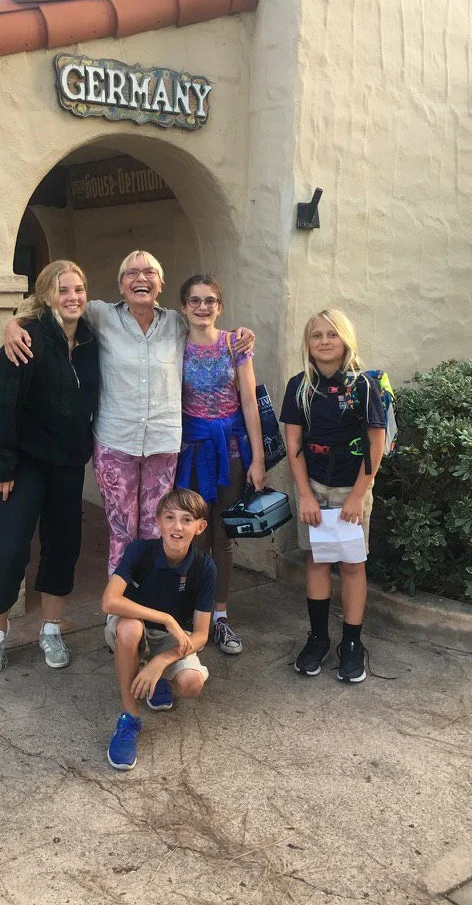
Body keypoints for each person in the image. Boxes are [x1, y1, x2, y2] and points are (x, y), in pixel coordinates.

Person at [4, 250, 253, 577]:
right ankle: (118, 605)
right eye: (131, 273)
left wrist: (240, 333)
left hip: (163, 446)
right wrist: (14, 323)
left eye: (149, 272)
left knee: (155, 531)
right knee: (122, 535)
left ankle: (147, 602)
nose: (141, 278)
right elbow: (53, 303)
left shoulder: (176, 323)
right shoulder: (100, 315)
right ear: (121, 285)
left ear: (160, 284)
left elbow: (208, 325)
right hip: (115, 445)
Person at [0, 260, 99, 678]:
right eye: (63, 290)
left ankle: (51, 630)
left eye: (78, 289)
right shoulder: (28, 339)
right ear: (47, 295)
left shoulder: (91, 340)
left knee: (63, 546)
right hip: (25, 465)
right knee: (11, 548)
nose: (73, 297)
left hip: (68, 465)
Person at [280, 309, 385, 683]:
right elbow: (293, 442)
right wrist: (305, 494)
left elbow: (376, 445)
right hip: (313, 488)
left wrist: (359, 494)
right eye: (316, 335)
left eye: (332, 334)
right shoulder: (299, 386)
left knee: (353, 565)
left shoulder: (363, 387)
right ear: (307, 343)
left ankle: (352, 643)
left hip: (351, 489)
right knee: (317, 560)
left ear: (346, 340)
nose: (324, 341)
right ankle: (318, 638)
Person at [174, 274, 266, 656]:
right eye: (194, 300)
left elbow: (249, 402)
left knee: (223, 537)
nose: (202, 307)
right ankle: (194, 614)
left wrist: (258, 459)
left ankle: (221, 616)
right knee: (195, 535)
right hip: (193, 453)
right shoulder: (175, 347)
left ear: (220, 306)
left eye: (210, 300)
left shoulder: (235, 345)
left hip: (230, 454)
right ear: (183, 307)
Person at [101, 488, 216, 770]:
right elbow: (109, 601)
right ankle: (129, 717)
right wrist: (166, 618)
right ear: (158, 521)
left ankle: (157, 680)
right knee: (129, 628)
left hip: (168, 638)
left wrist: (161, 662)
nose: (177, 527)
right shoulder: (140, 550)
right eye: (170, 518)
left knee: (192, 683)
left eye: (187, 520)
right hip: (134, 627)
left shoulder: (204, 566)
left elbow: (201, 635)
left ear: (200, 527)